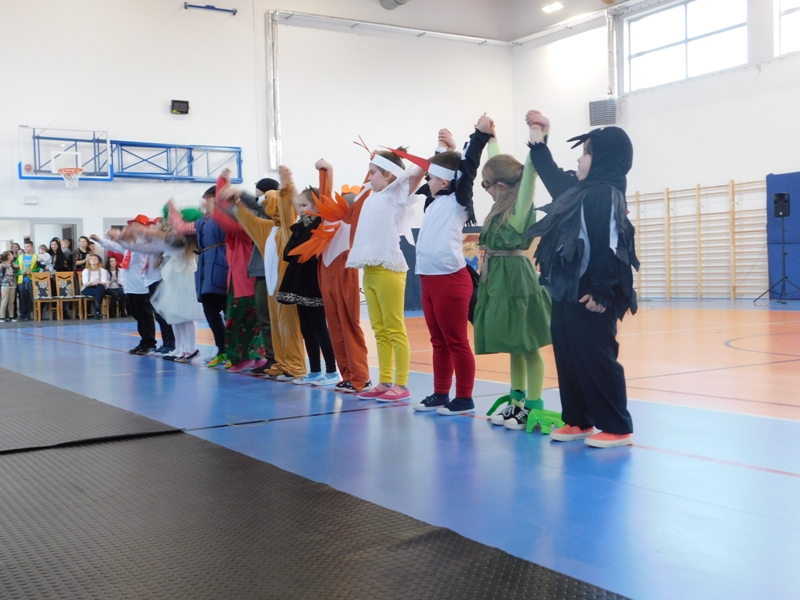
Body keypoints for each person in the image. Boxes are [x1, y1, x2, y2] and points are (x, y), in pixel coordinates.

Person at [525, 111, 638, 448]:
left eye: (586, 153)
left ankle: (617, 426)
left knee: (596, 356)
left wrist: (603, 290)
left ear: (603, 159)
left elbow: (611, 244)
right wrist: (539, 134)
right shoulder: (578, 190)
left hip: (593, 293)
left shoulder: (606, 193)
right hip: (567, 290)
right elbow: (548, 171)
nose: (579, 158)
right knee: (568, 353)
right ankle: (577, 419)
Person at [473, 117, 555, 434]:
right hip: (498, 278)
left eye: (486, 184)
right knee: (513, 344)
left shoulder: (520, 206)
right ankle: (516, 402)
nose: (485, 189)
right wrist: (491, 138)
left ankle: (533, 405)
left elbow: (530, 173)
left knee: (528, 345)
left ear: (502, 186)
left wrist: (541, 135)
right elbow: (499, 164)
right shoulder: (501, 203)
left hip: (517, 280)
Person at [408, 115, 492, 415]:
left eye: (430, 178)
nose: (426, 181)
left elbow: (466, 170)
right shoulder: (433, 202)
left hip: (450, 279)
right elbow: (447, 166)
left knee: (456, 341)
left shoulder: (458, 201)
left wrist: (478, 136)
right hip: (428, 279)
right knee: (438, 341)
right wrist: (445, 148)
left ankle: (465, 397)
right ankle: (441, 393)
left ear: (444, 182)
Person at [346, 148, 425, 402]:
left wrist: (438, 149)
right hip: (370, 270)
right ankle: (385, 380)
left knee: (394, 327)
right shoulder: (372, 197)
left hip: (389, 269)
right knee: (379, 329)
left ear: (389, 174)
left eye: (373, 173)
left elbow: (417, 173)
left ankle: (401, 384)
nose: (369, 177)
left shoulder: (394, 195)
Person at [289, 160, 372, 394]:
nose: (337, 201)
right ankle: (347, 375)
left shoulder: (351, 222)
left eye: (345, 199)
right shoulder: (326, 220)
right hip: (326, 275)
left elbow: (364, 192)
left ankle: (361, 377)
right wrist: (325, 171)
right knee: (335, 327)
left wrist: (371, 168)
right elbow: (324, 194)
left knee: (349, 326)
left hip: (344, 275)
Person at [222, 167, 307, 381]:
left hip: (285, 286)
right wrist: (233, 200)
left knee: (288, 326)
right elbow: (246, 218)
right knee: (275, 325)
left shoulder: (288, 228)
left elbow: (287, 210)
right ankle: (280, 362)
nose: (264, 204)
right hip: (271, 286)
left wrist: (287, 183)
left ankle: (295, 365)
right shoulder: (268, 229)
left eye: (268, 200)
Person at [277, 182, 339, 386]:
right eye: (300, 205)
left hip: (313, 281)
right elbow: (289, 252)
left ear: (316, 206)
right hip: (299, 279)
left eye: (304, 205)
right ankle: (314, 370)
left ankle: (332, 371)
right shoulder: (302, 225)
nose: (301, 209)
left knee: (319, 327)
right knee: (306, 328)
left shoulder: (321, 224)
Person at [212, 174, 269, 372]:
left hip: (245, 282)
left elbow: (223, 217)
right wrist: (223, 183)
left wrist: (221, 192)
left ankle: (246, 357)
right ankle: (254, 356)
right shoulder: (237, 231)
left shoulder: (244, 228)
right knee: (246, 320)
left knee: (242, 320)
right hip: (238, 282)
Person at [92, 216, 174, 355]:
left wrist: (121, 236)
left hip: (142, 285)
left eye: (137, 226)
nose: (133, 229)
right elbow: (115, 246)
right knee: (138, 315)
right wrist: (100, 240)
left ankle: (153, 342)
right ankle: (145, 341)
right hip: (130, 286)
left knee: (147, 315)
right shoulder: (130, 246)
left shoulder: (145, 245)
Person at [141, 209, 205, 363]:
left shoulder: (184, 240)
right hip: (174, 278)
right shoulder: (173, 239)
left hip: (184, 277)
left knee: (185, 316)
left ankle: (191, 347)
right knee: (174, 316)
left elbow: (169, 242)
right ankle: (180, 347)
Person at [14, 241, 39, 321]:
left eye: (27, 247)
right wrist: (20, 272)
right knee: (22, 298)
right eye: (25, 247)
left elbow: (39, 268)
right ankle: (22, 314)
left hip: (32, 280)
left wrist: (32, 272)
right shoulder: (20, 257)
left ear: (31, 247)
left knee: (31, 298)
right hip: (22, 280)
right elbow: (16, 268)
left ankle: (29, 314)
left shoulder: (36, 257)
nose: (26, 248)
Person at [81, 254, 109, 319]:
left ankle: (97, 305)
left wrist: (98, 282)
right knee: (99, 291)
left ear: (98, 261)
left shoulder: (103, 270)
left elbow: (104, 282)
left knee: (100, 287)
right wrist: (93, 282)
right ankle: (98, 307)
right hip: (88, 288)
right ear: (89, 261)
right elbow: (85, 284)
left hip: (99, 286)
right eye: (92, 259)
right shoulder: (86, 271)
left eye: (95, 259)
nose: (94, 260)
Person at [0, 251, 17, 322]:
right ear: (8, 256)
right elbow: (1, 276)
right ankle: (2, 316)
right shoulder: (2, 265)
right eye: (11, 255)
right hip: (5, 285)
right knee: (4, 301)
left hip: (12, 285)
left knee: (11, 301)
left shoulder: (12, 265)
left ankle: (11, 316)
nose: (13, 256)